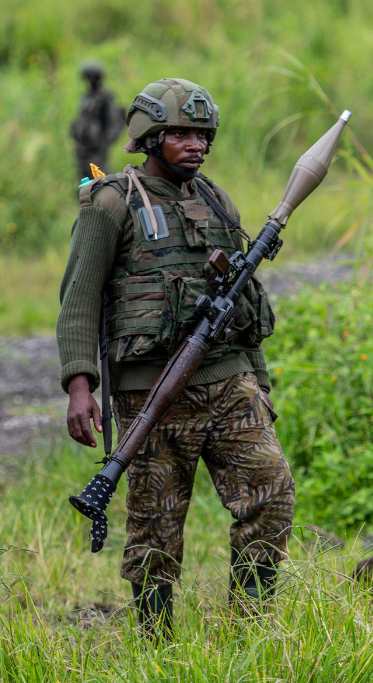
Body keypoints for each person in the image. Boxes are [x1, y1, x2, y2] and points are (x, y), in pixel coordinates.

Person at [57, 78, 294, 635]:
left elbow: (241, 296)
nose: (196, 145)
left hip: (230, 381)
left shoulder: (215, 198)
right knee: (156, 528)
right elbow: (79, 299)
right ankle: (157, 643)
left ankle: (250, 630)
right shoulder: (111, 203)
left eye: (203, 134)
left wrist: (258, 380)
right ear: (150, 136)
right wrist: (79, 385)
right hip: (150, 392)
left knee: (272, 492)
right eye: (182, 134)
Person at [70, 61, 125, 181]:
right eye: (88, 77)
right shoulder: (87, 96)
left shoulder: (105, 97)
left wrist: (104, 143)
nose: (90, 80)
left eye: (93, 77)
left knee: (99, 180)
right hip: (83, 147)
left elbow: (114, 122)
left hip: (97, 148)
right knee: (84, 181)